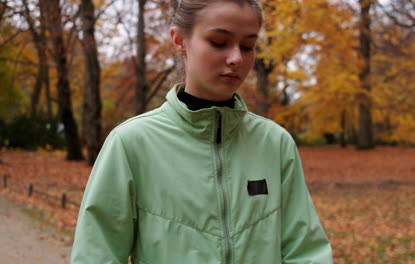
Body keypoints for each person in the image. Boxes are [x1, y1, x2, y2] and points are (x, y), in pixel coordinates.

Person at [71, 0, 333, 263]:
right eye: (219, 42)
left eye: (248, 46)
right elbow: (96, 254)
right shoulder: (130, 144)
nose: (236, 58)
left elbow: (306, 252)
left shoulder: (275, 143)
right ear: (180, 40)